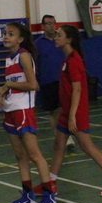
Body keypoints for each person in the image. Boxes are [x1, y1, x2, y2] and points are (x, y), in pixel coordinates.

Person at [48, 24, 102, 195]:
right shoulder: (67, 59)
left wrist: (72, 116)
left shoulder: (74, 60)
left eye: (59, 35)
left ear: (68, 40)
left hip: (75, 112)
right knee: (59, 145)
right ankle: (50, 183)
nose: (56, 38)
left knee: (86, 145)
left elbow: (77, 90)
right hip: (66, 111)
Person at [0, 22, 56, 203]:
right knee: (20, 155)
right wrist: (4, 93)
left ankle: (49, 196)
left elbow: (33, 85)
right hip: (10, 110)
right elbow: (15, 84)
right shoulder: (9, 58)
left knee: (34, 155)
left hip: (23, 111)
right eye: (5, 33)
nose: (6, 36)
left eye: (11, 34)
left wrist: (8, 85)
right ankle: (28, 195)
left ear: (20, 39)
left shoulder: (23, 56)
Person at [35, 15, 74, 149]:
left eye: (53, 23)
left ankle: (67, 135)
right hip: (47, 81)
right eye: (48, 23)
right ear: (43, 26)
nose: (51, 26)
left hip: (64, 80)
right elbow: (35, 64)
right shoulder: (38, 44)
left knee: (66, 108)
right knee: (54, 111)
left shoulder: (62, 40)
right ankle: (60, 139)